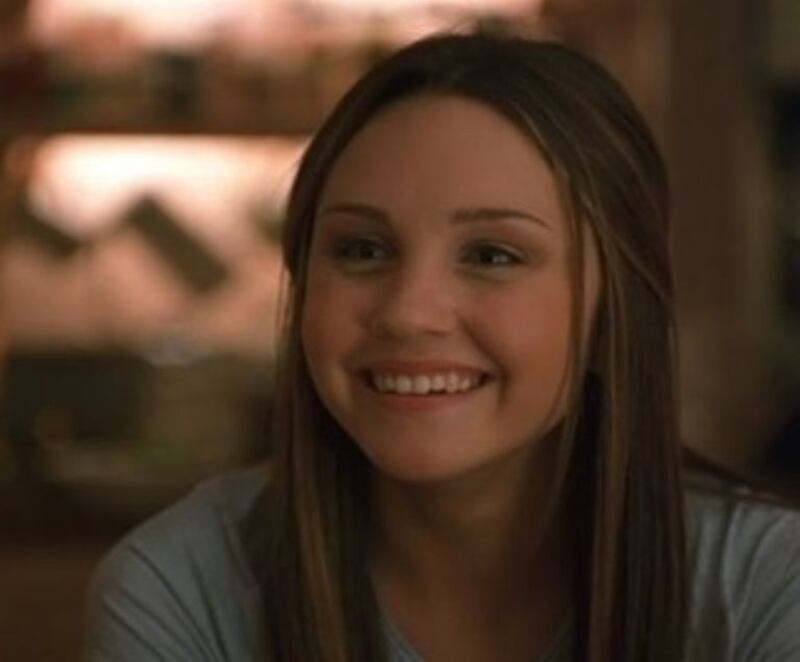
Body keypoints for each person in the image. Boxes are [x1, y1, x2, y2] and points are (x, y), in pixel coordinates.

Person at [85, 31, 800, 662]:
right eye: (362, 249)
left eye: (492, 255)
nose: (407, 313)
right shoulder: (182, 589)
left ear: (615, 311)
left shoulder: (769, 589)